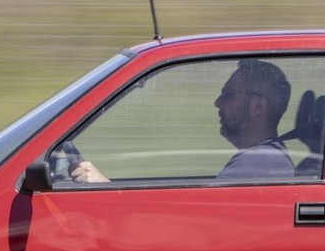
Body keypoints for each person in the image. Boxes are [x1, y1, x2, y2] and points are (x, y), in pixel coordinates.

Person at [70, 58, 296, 183]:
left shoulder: (256, 166)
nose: (217, 103)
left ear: (257, 107)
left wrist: (105, 188)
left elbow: (188, 230)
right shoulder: (268, 160)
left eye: (227, 95)